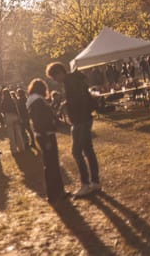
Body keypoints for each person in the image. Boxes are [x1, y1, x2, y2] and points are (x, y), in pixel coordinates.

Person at [46, 62, 101, 198]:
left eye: (54, 77)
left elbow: (77, 101)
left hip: (79, 120)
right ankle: (95, 181)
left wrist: (68, 108)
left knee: (76, 152)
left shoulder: (69, 82)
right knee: (88, 149)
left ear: (59, 72)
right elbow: (82, 97)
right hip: (86, 117)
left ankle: (85, 184)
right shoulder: (76, 78)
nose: (55, 80)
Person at [26, 79, 68, 203]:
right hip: (46, 135)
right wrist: (46, 137)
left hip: (42, 134)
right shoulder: (38, 102)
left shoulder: (33, 101)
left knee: (50, 164)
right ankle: (56, 192)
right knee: (52, 165)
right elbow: (41, 121)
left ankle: (56, 192)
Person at [1, 88, 25, 154]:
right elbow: (16, 109)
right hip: (15, 116)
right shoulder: (13, 100)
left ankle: (14, 150)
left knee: (11, 135)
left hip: (8, 117)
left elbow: (2, 110)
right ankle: (22, 147)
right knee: (18, 133)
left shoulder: (3, 101)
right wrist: (19, 116)